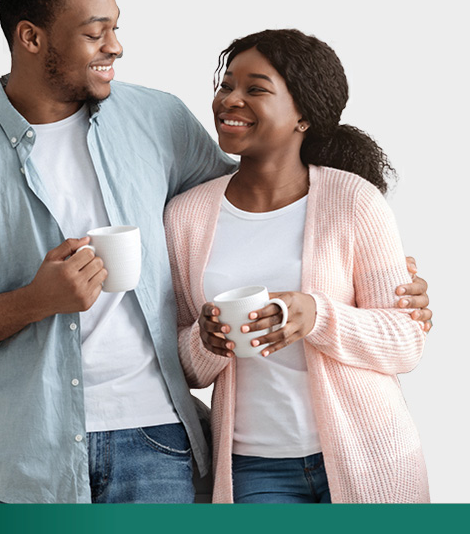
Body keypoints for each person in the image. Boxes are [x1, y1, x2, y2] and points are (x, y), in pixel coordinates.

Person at [0, 0, 430, 503]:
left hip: (159, 439)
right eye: (95, 32)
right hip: (30, 452)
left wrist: (372, 261)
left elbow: (260, 195)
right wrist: (34, 300)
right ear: (31, 38)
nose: (115, 46)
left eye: (116, 27)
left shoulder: (156, 120)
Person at [164, 29, 431, 504]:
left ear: (303, 115)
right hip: (253, 468)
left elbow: (406, 342)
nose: (230, 100)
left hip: (369, 455)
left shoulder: (353, 201)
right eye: (227, 86)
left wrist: (317, 316)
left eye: (255, 88)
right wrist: (205, 343)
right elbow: (182, 364)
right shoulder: (186, 216)